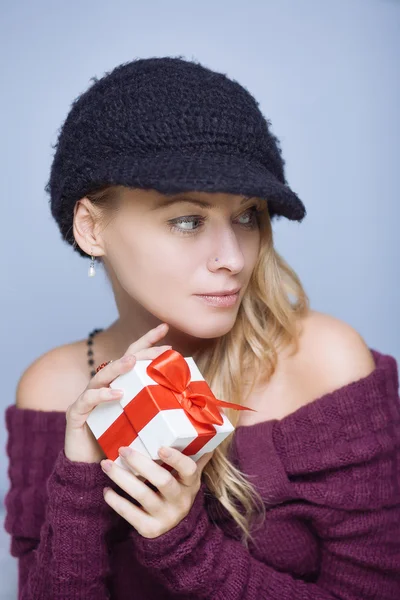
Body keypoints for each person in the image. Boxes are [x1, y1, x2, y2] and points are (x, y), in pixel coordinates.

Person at [3, 56, 400, 600]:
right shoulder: (52, 389)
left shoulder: (324, 363)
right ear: (92, 227)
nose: (233, 258)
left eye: (246, 216)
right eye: (187, 220)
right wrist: (80, 482)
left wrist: (182, 543)